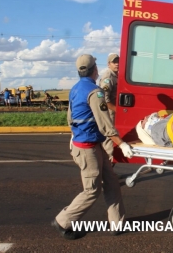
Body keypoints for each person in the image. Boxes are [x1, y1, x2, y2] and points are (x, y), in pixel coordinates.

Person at [52, 54, 133, 240]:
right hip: (88, 148)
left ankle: (117, 223)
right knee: (92, 190)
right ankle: (63, 221)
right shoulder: (95, 93)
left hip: (91, 144)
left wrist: (74, 134)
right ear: (94, 70)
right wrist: (122, 144)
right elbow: (106, 124)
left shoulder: (75, 88)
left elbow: (70, 117)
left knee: (111, 182)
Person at [99, 53, 119, 166]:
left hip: (114, 114)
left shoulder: (116, 75)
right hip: (109, 114)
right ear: (108, 64)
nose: (117, 64)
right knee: (109, 144)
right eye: (114, 62)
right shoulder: (108, 77)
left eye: (118, 61)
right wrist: (117, 110)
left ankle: (109, 173)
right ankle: (105, 176)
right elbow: (104, 101)